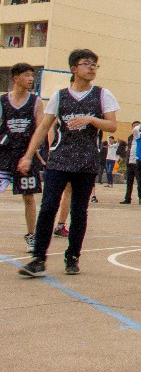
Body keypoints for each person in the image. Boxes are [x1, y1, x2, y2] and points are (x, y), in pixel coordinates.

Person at [18, 49, 119, 278]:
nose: (91, 68)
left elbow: (112, 125)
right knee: (48, 207)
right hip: (60, 159)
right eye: (86, 63)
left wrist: (90, 119)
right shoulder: (60, 96)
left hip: (87, 161)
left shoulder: (102, 95)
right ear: (74, 69)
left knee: (79, 211)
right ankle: (38, 258)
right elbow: (43, 127)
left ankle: (72, 256)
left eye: (94, 64)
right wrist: (28, 155)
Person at [0, 63, 46, 253]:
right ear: (16, 78)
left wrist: (35, 153)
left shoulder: (36, 102)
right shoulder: (3, 101)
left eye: (32, 75)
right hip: (5, 155)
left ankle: (31, 235)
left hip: (26, 155)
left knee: (28, 197)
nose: (30, 79)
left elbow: (41, 128)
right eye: (26, 75)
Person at [121, 122, 141, 205]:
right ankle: (127, 198)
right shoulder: (130, 137)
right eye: (134, 126)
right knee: (129, 182)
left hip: (138, 163)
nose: (135, 128)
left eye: (137, 126)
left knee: (140, 182)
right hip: (130, 162)